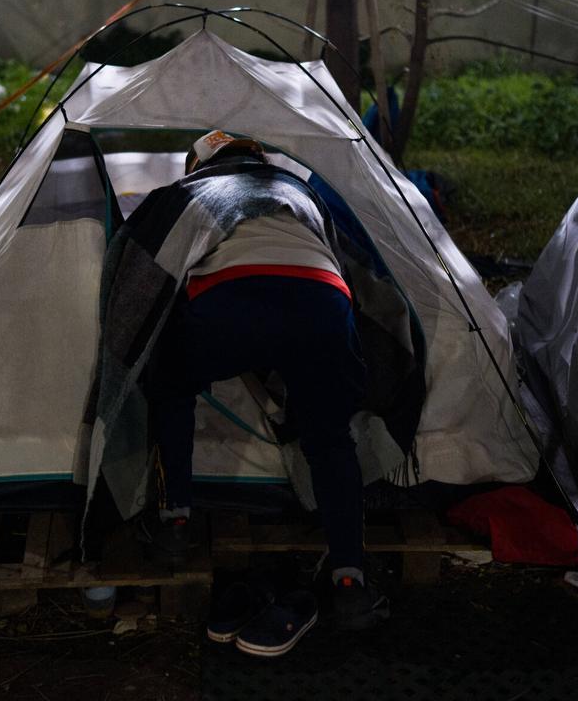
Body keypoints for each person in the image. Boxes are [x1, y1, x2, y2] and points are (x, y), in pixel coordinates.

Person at [133, 130, 389, 630]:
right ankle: (350, 583)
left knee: (171, 383)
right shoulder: (297, 190)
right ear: (256, 157)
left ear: (198, 165)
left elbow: (142, 262)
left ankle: (176, 522)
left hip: (231, 303)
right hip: (323, 303)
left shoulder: (192, 192)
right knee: (330, 439)